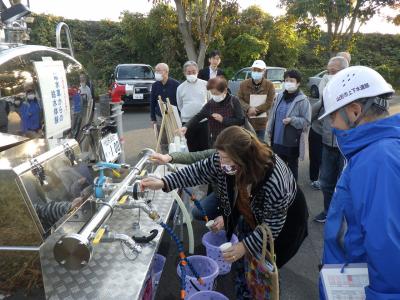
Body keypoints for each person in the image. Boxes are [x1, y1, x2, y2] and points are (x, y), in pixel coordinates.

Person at [142, 126, 300, 299]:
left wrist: (245, 246)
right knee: (243, 263)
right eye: (220, 157)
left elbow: (273, 224)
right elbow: (198, 171)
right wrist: (164, 182)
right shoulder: (227, 160)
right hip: (252, 213)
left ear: (244, 158)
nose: (221, 163)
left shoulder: (274, 181)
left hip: (285, 222)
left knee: (265, 269)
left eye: (225, 159)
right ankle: (243, 292)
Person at [318, 66, 399, 299]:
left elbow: (388, 250)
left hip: (359, 285)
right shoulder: (372, 151)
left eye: (333, 115)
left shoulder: (378, 159)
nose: (332, 124)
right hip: (348, 277)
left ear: (354, 111)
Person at [313, 56, 349, 223]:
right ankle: (327, 211)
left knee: (345, 184)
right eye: (328, 72)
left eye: (333, 72)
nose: (329, 75)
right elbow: (317, 111)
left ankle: (344, 215)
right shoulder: (328, 92)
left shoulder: (353, 93)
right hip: (327, 143)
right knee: (326, 182)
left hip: (346, 147)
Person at [267, 69, 311, 181]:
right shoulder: (280, 96)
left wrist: (292, 120)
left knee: (292, 168)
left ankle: (293, 190)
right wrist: (269, 129)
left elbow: (306, 121)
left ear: (298, 83)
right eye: (286, 80)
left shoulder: (303, 100)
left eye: (291, 80)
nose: (288, 82)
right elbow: (273, 114)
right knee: (277, 167)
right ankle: (280, 188)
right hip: (277, 139)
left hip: (291, 141)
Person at [179, 76, 244, 147]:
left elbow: (241, 120)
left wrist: (223, 120)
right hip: (216, 141)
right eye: (212, 94)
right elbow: (198, 116)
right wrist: (186, 126)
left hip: (232, 140)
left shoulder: (234, 100)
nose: (214, 96)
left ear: (225, 90)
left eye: (216, 93)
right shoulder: (210, 104)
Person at [238, 60, 275, 141]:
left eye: (259, 70)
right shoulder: (243, 84)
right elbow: (239, 99)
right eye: (254, 70)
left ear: (264, 71)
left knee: (259, 146)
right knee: (247, 145)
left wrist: (255, 110)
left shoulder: (269, 85)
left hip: (261, 122)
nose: (256, 72)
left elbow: (269, 102)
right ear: (251, 70)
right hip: (246, 121)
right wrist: (248, 108)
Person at [176, 61, 209, 152]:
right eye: (189, 72)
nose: (191, 74)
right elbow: (180, 105)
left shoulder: (205, 84)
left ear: (197, 71)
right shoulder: (180, 88)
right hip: (187, 123)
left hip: (203, 121)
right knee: (191, 148)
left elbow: (210, 101)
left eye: (194, 72)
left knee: (205, 147)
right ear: (184, 73)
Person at [150, 63, 180, 152]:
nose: (157, 72)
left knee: (175, 136)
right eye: (156, 71)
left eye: (159, 70)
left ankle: (175, 155)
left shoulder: (176, 84)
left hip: (172, 115)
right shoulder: (155, 85)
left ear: (166, 72)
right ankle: (164, 155)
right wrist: (153, 118)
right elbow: (152, 102)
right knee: (162, 137)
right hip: (160, 115)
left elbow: (179, 102)